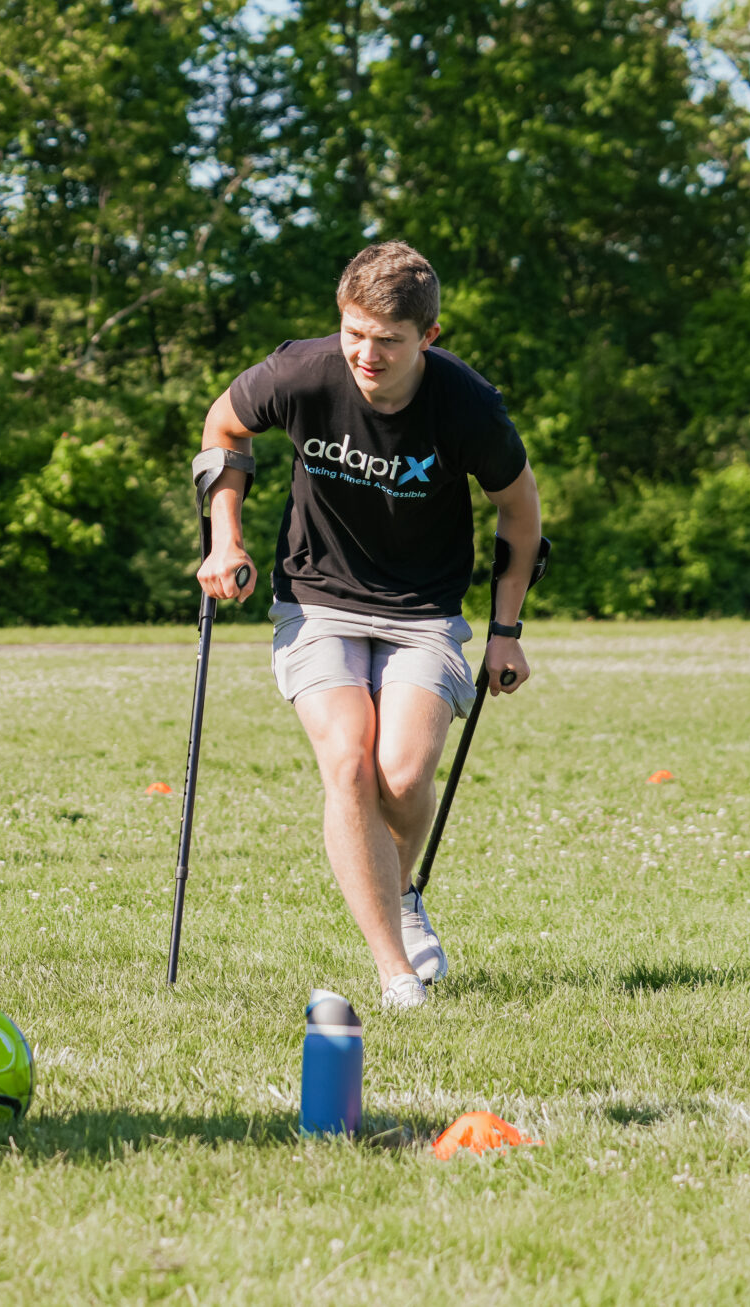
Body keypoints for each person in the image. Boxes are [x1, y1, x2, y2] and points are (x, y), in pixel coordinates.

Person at [196, 241, 542, 1012]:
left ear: (430, 337)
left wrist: (507, 628)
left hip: (424, 612)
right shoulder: (301, 372)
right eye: (354, 332)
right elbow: (223, 428)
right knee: (349, 762)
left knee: (404, 777)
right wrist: (228, 537)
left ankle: (401, 891)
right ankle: (395, 968)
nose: (366, 353)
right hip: (316, 599)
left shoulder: (466, 405)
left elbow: (520, 509)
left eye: (388, 340)